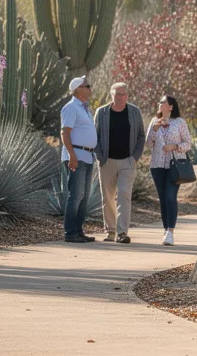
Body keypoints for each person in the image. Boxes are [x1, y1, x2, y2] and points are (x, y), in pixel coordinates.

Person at [92, 82, 146, 243]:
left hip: (128, 161)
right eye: (117, 94)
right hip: (107, 161)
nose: (120, 97)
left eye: (123, 94)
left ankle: (122, 232)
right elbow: (96, 136)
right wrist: (100, 157)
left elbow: (141, 136)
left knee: (124, 194)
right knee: (107, 197)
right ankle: (110, 230)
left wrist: (135, 157)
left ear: (127, 96)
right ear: (111, 95)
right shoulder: (101, 112)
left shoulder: (134, 112)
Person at [146, 95, 192, 246]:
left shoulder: (179, 122)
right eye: (159, 102)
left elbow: (188, 144)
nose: (160, 104)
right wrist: (154, 129)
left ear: (171, 107)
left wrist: (174, 146)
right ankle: (166, 230)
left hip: (175, 165)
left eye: (163, 102)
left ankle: (170, 232)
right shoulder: (154, 121)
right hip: (157, 165)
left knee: (170, 197)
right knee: (163, 198)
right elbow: (148, 144)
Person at [59, 76, 98, 243]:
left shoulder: (85, 109)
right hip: (77, 156)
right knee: (75, 196)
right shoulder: (71, 108)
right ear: (77, 90)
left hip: (87, 157)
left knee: (84, 197)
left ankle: (78, 231)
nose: (90, 88)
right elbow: (65, 133)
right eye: (87, 86)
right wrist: (71, 155)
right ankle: (70, 233)